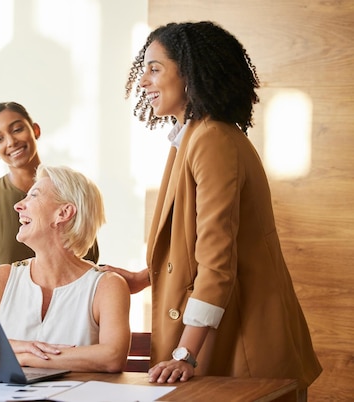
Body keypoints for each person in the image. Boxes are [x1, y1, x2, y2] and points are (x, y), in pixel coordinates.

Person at [104, 21, 322, 390]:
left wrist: (185, 353)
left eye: (155, 69)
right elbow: (197, 241)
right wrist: (145, 277)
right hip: (228, 334)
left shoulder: (211, 140)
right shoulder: (194, 137)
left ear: (188, 73)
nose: (143, 82)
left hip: (243, 346)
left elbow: (217, 258)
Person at [0, 165, 131, 373]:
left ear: (63, 213)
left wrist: (27, 357)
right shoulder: (0, 278)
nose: (18, 205)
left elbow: (111, 357)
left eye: (33, 196)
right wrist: (13, 347)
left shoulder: (107, 286)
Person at [0, 102, 99, 284]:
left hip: (73, 303)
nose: (11, 142)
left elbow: (87, 256)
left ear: (35, 130)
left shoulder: (71, 187)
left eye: (17, 129)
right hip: (9, 308)